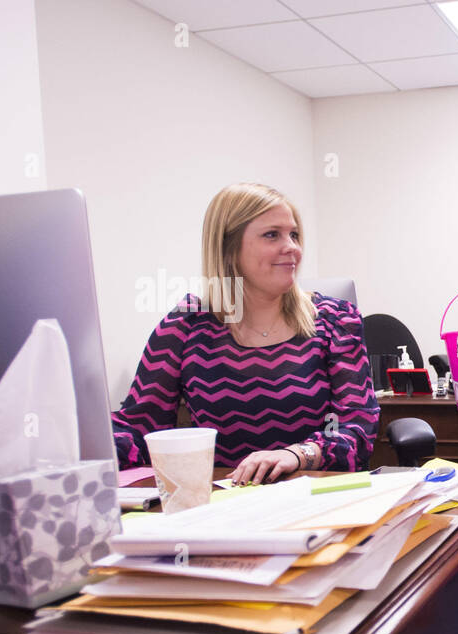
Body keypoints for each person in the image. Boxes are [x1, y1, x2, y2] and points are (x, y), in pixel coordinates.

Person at [112, 182, 379, 485]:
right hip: (228, 502)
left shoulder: (335, 320)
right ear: (228, 249)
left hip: (319, 497)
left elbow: (357, 426)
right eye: (271, 235)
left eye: (294, 235)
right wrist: (86, 449)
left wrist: (299, 453)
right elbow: (138, 426)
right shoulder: (186, 325)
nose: (292, 247)